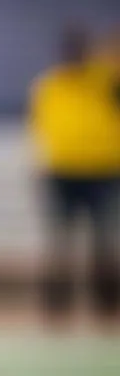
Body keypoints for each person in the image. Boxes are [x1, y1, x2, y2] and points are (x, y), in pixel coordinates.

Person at [28, 25, 120, 325]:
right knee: (60, 247)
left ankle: (107, 309)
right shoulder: (50, 84)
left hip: (103, 173)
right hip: (61, 173)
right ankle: (57, 311)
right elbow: (40, 126)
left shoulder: (106, 81)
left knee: (104, 245)